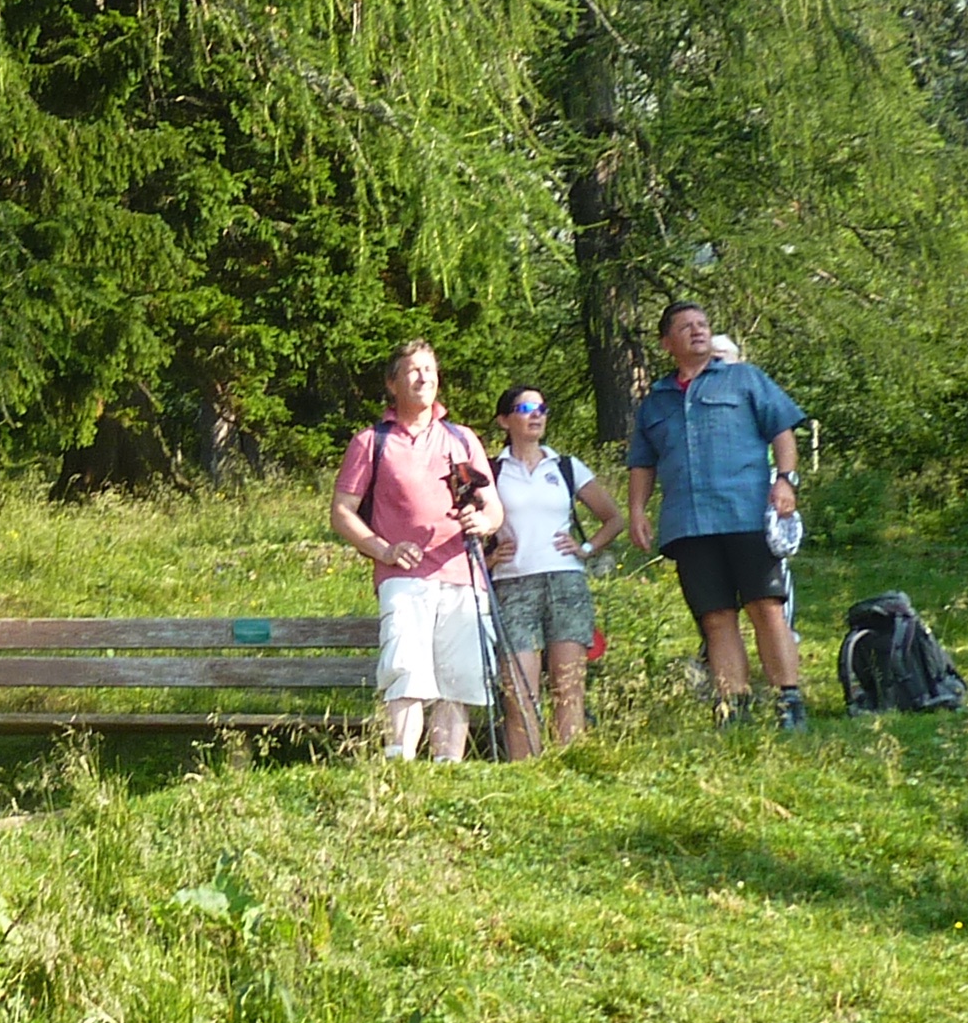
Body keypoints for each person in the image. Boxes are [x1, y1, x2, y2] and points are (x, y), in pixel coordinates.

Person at [624, 302, 812, 729]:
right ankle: (733, 707)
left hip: (747, 514)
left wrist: (786, 481)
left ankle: (788, 702)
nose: (698, 331)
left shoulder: (745, 379)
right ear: (666, 343)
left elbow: (782, 431)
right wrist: (636, 510)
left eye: (703, 324)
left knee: (766, 607)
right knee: (715, 617)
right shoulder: (655, 402)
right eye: (686, 327)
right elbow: (642, 463)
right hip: (689, 524)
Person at [328, 341, 504, 761]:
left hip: (463, 574)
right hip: (404, 578)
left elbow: (494, 508)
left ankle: (447, 767)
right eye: (413, 370)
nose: (424, 377)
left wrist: (483, 523)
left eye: (430, 369)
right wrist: (384, 550)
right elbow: (341, 512)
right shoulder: (372, 441)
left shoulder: (462, 439)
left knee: (459, 678)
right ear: (392, 384)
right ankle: (400, 763)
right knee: (405, 670)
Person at [484, 383, 624, 757]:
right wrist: (490, 558)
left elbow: (613, 518)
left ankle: (570, 766)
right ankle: (525, 772)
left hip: (566, 583)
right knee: (519, 690)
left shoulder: (565, 466)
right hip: (512, 585)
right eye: (525, 408)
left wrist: (586, 548)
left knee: (569, 686)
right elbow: (464, 528)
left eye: (542, 408)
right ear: (504, 420)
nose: (536, 415)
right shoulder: (492, 470)